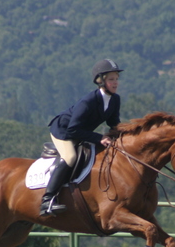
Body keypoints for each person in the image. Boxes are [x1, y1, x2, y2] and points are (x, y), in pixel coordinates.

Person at [40, 59, 123, 216]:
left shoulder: (115, 100)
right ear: (100, 81)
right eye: (111, 79)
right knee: (70, 157)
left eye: (117, 79)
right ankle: (47, 200)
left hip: (81, 132)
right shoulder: (88, 101)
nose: (115, 83)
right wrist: (99, 138)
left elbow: (114, 124)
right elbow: (73, 130)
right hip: (64, 131)